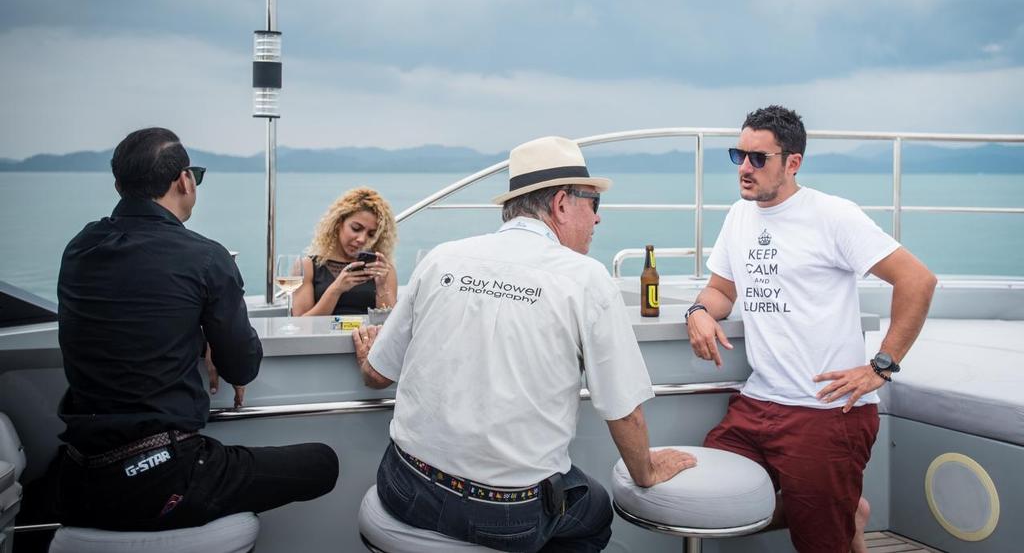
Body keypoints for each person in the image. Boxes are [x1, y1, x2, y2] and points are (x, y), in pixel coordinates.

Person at [352, 136, 695, 552]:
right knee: (596, 513)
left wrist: (368, 352)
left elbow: (376, 374)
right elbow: (624, 412)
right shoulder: (585, 279)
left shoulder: (442, 258)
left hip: (403, 485)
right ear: (562, 204)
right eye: (594, 205)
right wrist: (647, 472)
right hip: (503, 514)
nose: (598, 220)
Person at [54, 127, 339, 531]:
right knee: (322, 464)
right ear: (185, 180)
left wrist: (193, 333)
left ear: (119, 185)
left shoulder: (80, 247)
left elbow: (126, 314)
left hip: (80, 479)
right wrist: (207, 336)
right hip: (164, 478)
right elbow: (241, 368)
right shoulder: (205, 257)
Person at [685, 106, 936, 553]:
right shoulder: (739, 217)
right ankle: (841, 509)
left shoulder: (832, 215)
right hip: (757, 403)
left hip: (825, 411)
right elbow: (721, 289)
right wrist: (699, 311)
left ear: (792, 162)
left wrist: (881, 367)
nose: (744, 168)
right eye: (738, 155)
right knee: (710, 499)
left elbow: (917, 280)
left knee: (820, 543)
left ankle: (835, 511)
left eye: (758, 159)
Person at [291, 187, 398, 316]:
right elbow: (300, 325)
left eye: (371, 234)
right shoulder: (307, 266)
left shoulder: (383, 269)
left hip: (367, 336)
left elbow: (391, 324)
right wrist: (336, 289)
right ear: (338, 223)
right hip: (322, 336)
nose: (362, 239)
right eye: (356, 228)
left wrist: (382, 286)